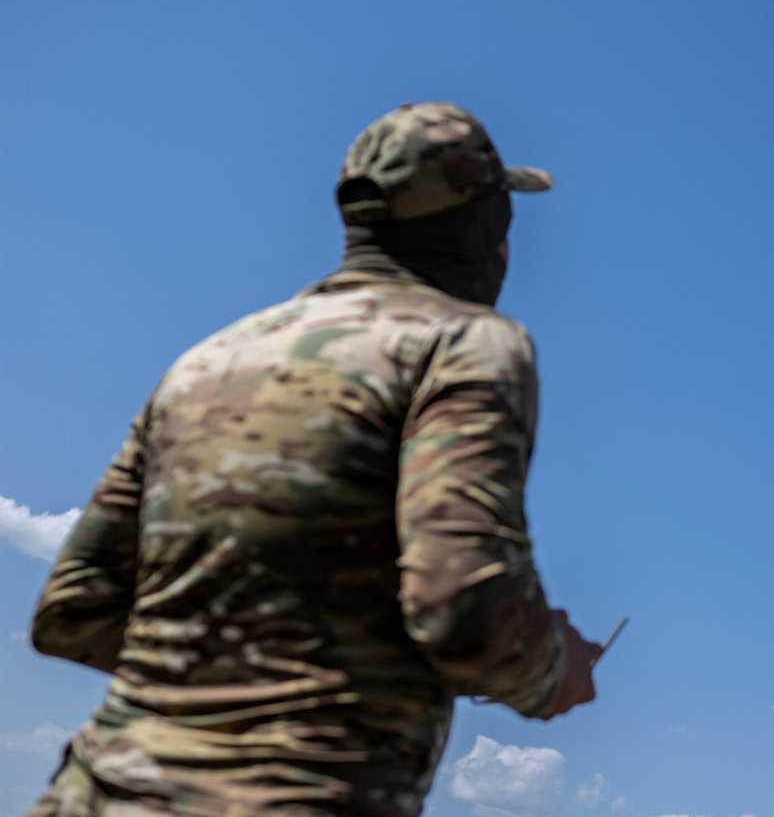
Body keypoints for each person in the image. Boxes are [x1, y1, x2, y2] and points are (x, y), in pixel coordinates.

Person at [26, 102, 602, 816]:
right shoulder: (465, 344)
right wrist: (555, 670)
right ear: (487, 228)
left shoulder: (208, 360)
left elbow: (73, 607)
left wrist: (231, 670)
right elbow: (466, 613)